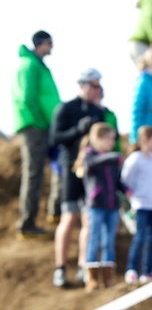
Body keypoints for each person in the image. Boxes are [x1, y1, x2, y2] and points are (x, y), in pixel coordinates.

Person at [49, 68, 107, 288]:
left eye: (99, 86)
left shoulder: (98, 112)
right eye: (94, 85)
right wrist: (77, 130)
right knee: (69, 216)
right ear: (82, 85)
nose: (97, 90)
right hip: (69, 169)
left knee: (89, 219)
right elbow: (55, 138)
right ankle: (60, 268)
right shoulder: (65, 108)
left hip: (91, 172)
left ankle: (84, 266)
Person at [10, 30, 61, 239]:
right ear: (40, 43)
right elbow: (28, 97)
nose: (52, 47)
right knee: (34, 173)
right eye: (50, 43)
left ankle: (54, 212)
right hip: (35, 127)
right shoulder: (29, 66)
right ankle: (27, 224)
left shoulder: (36, 65)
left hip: (43, 126)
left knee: (53, 168)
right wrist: (41, 122)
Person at [74, 122, 123, 291]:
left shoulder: (112, 159)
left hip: (112, 206)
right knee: (93, 239)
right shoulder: (89, 156)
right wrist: (115, 157)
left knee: (109, 241)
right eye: (109, 139)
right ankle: (92, 278)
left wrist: (127, 190)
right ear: (97, 138)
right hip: (95, 206)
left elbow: (118, 181)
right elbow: (91, 164)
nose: (112, 143)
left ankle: (108, 277)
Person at [121, 125, 152, 286]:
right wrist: (134, 195)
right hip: (140, 204)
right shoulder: (135, 159)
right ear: (146, 140)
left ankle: (147, 271)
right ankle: (131, 270)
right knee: (139, 237)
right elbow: (126, 180)